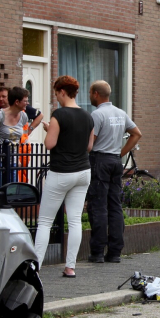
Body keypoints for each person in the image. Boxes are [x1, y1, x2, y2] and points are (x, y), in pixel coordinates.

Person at [33, 76, 94, 278]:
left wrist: (50, 129)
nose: (56, 97)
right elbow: (89, 146)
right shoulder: (88, 116)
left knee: (45, 221)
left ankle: (35, 267)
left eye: (56, 93)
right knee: (75, 220)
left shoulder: (59, 114)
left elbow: (49, 144)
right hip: (83, 172)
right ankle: (70, 267)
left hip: (61, 172)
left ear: (62, 92)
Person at [86, 80, 142, 264]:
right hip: (115, 162)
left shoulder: (97, 114)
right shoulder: (120, 113)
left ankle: (97, 252)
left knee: (98, 205)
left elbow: (91, 143)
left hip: (100, 161)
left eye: (90, 93)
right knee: (115, 205)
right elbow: (137, 134)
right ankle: (115, 252)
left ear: (96, 93)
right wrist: (120, 153)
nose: (89, 96)